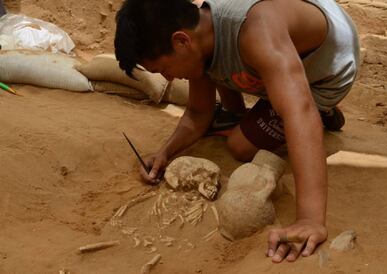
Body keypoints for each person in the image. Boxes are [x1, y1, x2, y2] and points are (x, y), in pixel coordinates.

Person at [114, 0, 359, 263]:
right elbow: (198, 113)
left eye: (163, 69)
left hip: (328, 71)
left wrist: (309, 220)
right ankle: (264, 102)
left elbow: (300, 113)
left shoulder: (257, 31)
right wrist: (164, 152)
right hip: (282, 55)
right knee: (215, 66)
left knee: (241, 145)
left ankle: (324, 109)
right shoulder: (197, 31)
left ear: (181, 41)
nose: (169, 78)